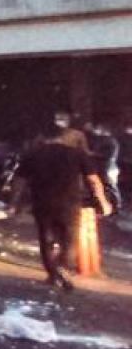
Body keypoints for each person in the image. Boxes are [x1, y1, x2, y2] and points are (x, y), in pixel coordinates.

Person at [19, 121, 112, 291]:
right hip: (69, 202)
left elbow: (20, 179)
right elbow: (93, 180)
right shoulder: (77, 154)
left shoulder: (35, 153)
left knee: (46, 238)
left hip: (42, 201)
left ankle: (52, 274)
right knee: (69, 238)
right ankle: (63, 266)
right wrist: (103, 202)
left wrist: (14, 204)